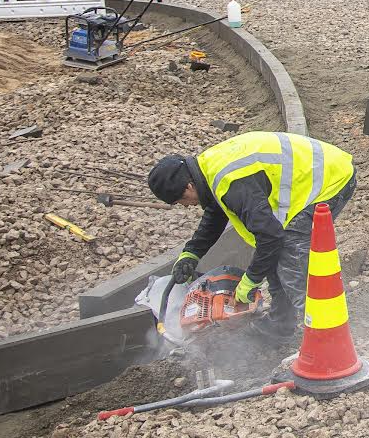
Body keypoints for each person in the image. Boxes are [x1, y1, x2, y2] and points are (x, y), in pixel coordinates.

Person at [147, 133, 357, 341]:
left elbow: (271, 237)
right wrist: (191, 253)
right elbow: (216, 211)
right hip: (315, 172)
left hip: (329, 180)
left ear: (189, 186)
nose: (186, 206)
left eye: (182, 200)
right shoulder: (208, 169)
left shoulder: (232, 183)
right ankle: (280, 326)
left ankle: (329, 334)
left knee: (292, 261)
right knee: (277, 256)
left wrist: (251, 280)